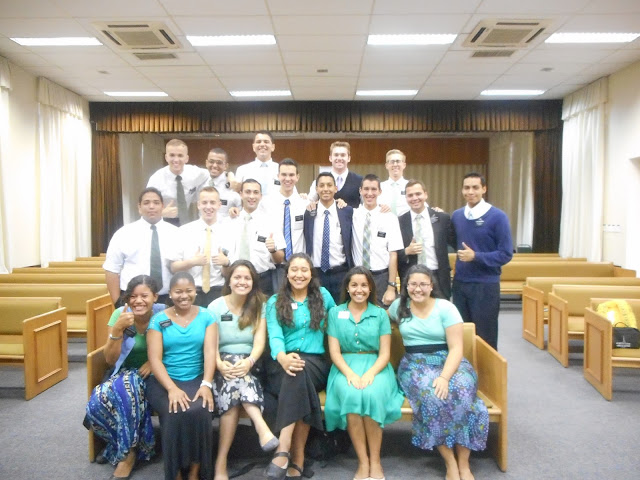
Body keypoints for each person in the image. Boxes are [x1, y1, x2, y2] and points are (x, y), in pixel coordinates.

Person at [388, 265, 488, 480]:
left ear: (431, 286)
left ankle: (464, 463)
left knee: (462, 392)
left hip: (448, 359)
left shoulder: (446, 308)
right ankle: (450, 462)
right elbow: (379, 319)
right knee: (433, 397)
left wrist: (444, 377)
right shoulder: (399, 307)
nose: (418, 289)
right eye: (413, 284)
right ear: (406, 286)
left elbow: (456, 348)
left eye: (423, 284)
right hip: (414, 364)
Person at [324, 267, 404, 480]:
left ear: (370, 288)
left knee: (371, 394)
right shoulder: (335, 313)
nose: (359, 290)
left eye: (363, 285)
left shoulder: (380, 314)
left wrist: (371, 374)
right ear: (347, 288)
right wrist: (349, 374)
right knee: (351, 395)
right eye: (354, 285)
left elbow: (385, 354)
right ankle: (363, 461)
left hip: (376, 365)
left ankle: (375, 461)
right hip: (344, 365)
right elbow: (334, 352)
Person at [264, 253, 336, 480]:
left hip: (316, 362)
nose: (299, 274)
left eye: (304, 270)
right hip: (282, 363)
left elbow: (338, 321)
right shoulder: (275, 301)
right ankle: (298, 459)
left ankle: (282, 448)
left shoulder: (323, 296)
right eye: (294, 269)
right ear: (286, 274)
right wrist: (283, 357)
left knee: (299, 373)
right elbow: (275, 336)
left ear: (311, 274)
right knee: (297, 376)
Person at [84, 275, 163, 479]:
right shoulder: (119, 314)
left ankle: (127, 456)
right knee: (95, 404)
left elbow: (176, 347)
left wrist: (153, 362)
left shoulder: (163, 314)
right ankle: (126, 446)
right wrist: (117, 330)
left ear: (155, 297)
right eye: (133, 296)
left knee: (130, 385)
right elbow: (110, 359)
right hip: (122, 373)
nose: (138, 301)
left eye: (144, 296)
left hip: (154, 376)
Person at [208, 260, 278, 480]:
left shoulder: (259, 305)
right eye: (237, 277)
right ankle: (261, 428)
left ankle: (221, 463)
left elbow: (259, 343)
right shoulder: (215, 306)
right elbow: (211, 343)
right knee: (234, 384)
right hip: (221, 365)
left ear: (253, 282)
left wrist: (248, 362)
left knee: (235, 387)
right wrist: (219, 363)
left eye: (247, 278)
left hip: (250, 364)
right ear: (229, 281)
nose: (242, 282)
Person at [146, 272, 218, 480]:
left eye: (188, 291)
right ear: (170, 293)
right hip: (164, 380)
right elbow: (154, 360)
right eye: (178, 291)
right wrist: (171, 388)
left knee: (201, 409)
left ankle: (195, 471)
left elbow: (210, 353)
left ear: (195, 292)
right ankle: (175, 472)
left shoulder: (207, 316)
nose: (184, 296)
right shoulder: (158, 320)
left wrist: (206, 384)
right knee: (174, 411)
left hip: (197, 377)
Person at [449, 172, 513, 349]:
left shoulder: (498, 217)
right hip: (460, 284)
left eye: (475, 187)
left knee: (486, 336)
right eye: (466, 188)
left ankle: (487, 368)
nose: (470, 192)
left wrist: (476, 256)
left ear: (484, 189)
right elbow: (453, 242)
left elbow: (506, 253)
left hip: (485, 285)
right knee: (461, 334)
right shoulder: (457, 216)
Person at [103, 187, 179, 306]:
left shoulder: (176, 233)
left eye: (156, 203)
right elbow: (111, 269)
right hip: (133, 298)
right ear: (139, 207)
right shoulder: (123, 233)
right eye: (146, 203)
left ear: (162, 206)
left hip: (167, 298)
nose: (151, 206)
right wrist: (117, 303)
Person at [171, 187, 232, 307]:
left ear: (219, 205)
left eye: (212, 202)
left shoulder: (229, 233)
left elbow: (231, 273)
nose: (208, 207)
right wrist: (192, 262)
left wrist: (226, 263)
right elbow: (173, 267)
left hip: (219, 290)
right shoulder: (183, 231)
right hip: (191, 292)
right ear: (198, 205)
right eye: (204, 202)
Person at [226, 179, 286, 297]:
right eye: (248, 192)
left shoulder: (271, 222)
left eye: (255, 192)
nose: (252, 196)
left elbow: (280, 259)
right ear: (241, 194)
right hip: (235, 280)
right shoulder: (230, 221)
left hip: (262, 280)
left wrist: (273, 250)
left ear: (260, 196)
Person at [351, 174, 403, 307]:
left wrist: (391, 287)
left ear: (380, 191)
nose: (369, 193)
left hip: (381, 277)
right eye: (366, 189)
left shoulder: (390, 218)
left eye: (374, 189)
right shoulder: (352, 215)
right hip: (357, 276)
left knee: (382, 314)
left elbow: (393, 254)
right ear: (360, 190)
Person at [303, 172, 354, 303]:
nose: (325, 189)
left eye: (329, 185)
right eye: (322, 185)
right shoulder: (309, 212)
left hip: (340, 273)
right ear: (316, 189)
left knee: (341, 309)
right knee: (317, 309)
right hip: (316, 273)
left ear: (335, 188)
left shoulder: (346, 211)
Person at [260, 158, 309, 290]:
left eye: (291, 175)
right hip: (277, 266)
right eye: (284, 175)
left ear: (297, 177)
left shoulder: (305, 204)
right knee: (280, 300)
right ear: (278, 176)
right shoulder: (266, 203)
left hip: (300, 266)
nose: (288, 179)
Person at [397, 179, 452, 299]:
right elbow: (392, 254)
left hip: (438, 277)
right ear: (406, 198)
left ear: (425, 195)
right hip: (412, 279)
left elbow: (454, 243)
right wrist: (406, 251)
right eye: (410, 195)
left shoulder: (442, 218)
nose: (414, 198)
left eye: (418, 194)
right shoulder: (399, 222)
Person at [147, 138, 209, 226]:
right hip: (162, 222)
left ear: (186, 158)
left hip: (186, 222)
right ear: (166, 157)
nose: (176, 160)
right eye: (172, 155)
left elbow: (213, 174)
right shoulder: (156, 179)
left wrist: (228, 176)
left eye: (180, 155)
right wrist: (162, 213)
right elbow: (145, 210)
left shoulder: (195, 173)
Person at [307, 141, 363, 208]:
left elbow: (366, 206)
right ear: (330, 158)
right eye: (336, 155)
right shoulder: (318, 181)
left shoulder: (360, 181)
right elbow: (309, 203)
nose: (339, 158)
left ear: (349, 158)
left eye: (343, 155)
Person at [233, 131, 281, 196]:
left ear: (273, 147)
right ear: (253, 147)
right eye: (258, 142)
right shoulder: (242, 170)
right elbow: (236, 195)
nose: (262, 144)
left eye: (266, 142)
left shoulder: (281, 170)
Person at [198, 148, 241, 218]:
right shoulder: (199, 181)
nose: (215, 165)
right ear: (206, 163)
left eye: (219, 163)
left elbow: (241, 211)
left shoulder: (233, 185)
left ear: (226, 166)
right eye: (211, 162)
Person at [379, 149, 409, 216]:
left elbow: (421, 206)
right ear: (386, 165)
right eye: (392, 162)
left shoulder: (411, 186)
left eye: (398, 161)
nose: (395, 164)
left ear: (404, 165)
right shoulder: (379, 187)